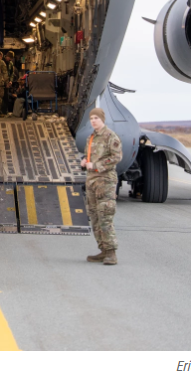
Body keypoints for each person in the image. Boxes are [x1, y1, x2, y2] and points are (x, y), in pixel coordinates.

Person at [81, 108, 123, 266]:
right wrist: (85, 161)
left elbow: (116, 157)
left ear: (102, 119)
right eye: (91, 118)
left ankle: (111, 253)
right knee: (95, 217)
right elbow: (91, 156)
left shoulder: (110, 136)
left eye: (96, 118)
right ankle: (103, 250)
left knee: (105, 216)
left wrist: (96, 165)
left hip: (105, 181)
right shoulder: (91, 137)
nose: (93, 121)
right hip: (91, 181)